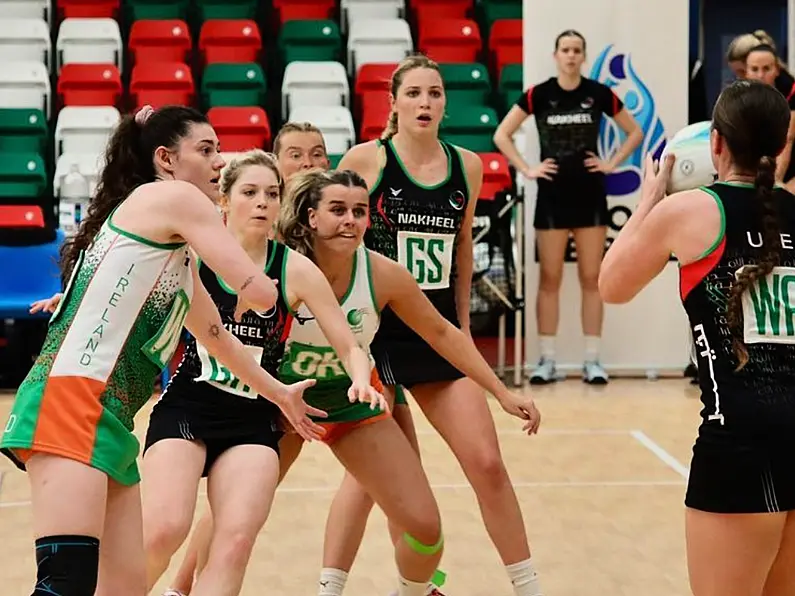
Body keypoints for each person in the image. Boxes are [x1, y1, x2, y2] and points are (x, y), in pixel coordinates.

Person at [0, 105, 328, 596]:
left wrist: (279, 393)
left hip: (109, 415)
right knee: (65, 585)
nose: (220, 162)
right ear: (166, 159)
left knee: (125, 589)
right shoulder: (172, 197)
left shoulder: (171, 251)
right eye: (206, 149)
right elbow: (258, 290)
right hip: (69, 400)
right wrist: (261, 281)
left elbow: (218, 337)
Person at [334, 53, 544, 596]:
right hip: (376, 339)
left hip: (437, 333)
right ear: (395, 103)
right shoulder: (367, 159)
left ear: (445, 104)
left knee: (488, 464)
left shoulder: (467, 166)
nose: (425, 102)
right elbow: (338, 241)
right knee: (380, 483)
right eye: (414, 93)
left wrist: (464, 330)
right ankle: (339, 585)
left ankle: (527, 586)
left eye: (435, 93)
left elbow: (463, 253)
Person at [139, 150, 384, 596]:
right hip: (187, 405)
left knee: (234, 544)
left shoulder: (293, 268)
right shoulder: (191, 254)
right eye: (249, 192)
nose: (262, 203)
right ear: (225, 201)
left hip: (252, 420)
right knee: (164, 529)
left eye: (271, 194)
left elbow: (348, 343)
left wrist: (360, 376)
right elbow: (124, 281)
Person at [599, 79, 795, 596]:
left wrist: (648, 201)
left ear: (716, 144)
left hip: (738, 447)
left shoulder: (691, 211)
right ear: (780, 145)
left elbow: (611, 284)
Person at [493, 29, 643, 384]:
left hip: (590, 195)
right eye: (565, 49)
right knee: (550, 278)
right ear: (556, 55)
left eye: (577, 50)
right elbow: (501, 134)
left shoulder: (598, 94)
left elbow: (634, 133)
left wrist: (611, 162)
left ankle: (592, 361)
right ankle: (547, 361)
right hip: (551, 198)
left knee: (592, 278)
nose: (571, 55)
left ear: (583, 56)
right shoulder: (539, 94)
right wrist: (528, 169)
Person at [743, 44, 795, 192]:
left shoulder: (791, 94)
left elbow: (788, 139)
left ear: (777, 70)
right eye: (754, 69)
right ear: (745, 72)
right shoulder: (739, 100)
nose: (760, 75)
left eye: (766, 69)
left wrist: (776, 181)